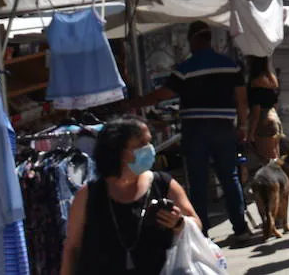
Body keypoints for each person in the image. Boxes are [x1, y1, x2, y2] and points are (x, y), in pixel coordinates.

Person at [132, 21, 252, 243]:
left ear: (194, 40)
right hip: (224, 127)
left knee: (198, 182)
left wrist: (136, 102)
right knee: (230, 177)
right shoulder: (230, 65)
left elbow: (163, 94)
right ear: (209, 39)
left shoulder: (184, 68)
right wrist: (242, 126)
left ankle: (201, 231)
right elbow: (242, 100)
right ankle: (241, 227)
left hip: (196, 129)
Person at [61, 116, 198, 275]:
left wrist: (179, 223)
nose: (150, 148)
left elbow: (195, 223)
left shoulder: (162, 184)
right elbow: (72, 247)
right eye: (141, 144)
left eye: (149, 142)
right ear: (120, 151)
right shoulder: (88, 195)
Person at [245, 55, 282, 164]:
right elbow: (275, 104)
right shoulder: (273, 79)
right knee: (275, 159)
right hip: (275, 118)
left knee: (268, 162)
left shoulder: (255, 82)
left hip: (263, 121)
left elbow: (256, 111)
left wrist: (250, 134)